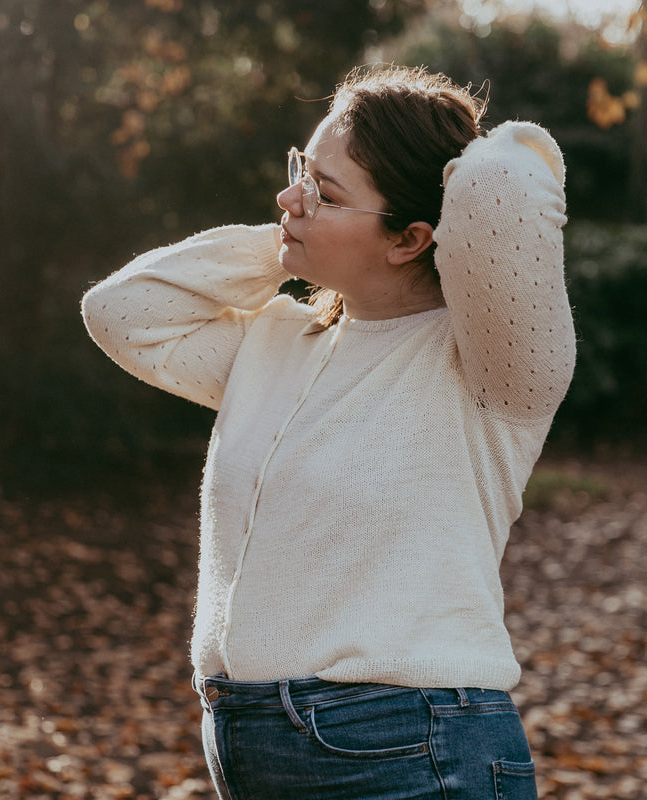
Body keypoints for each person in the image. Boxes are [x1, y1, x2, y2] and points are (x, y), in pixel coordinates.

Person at [82, 64, 575, 800]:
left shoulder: (490, 369)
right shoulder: (275, 343)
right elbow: (120, 310)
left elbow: (499, 183)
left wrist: (411, 163)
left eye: (323, 190)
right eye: (299, 171)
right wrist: (297, 234)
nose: (289, 196)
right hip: (250, 747)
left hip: (413, 752)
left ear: (411, 238)